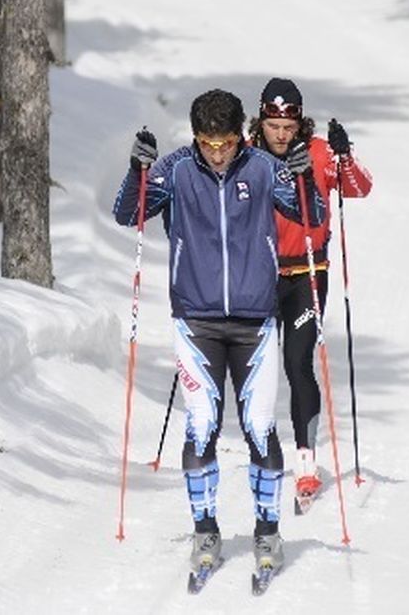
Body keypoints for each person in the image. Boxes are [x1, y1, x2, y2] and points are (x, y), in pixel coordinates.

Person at [112, 88, 323, 580]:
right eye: (209, 143)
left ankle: (267, 532)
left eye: (227, 142)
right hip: (196, 321)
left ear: (239, 136)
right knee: (202, 427)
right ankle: (204, 529)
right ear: (195, 138)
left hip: (255, 321)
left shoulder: (263, 169)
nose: (219, 153)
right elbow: (130, 213)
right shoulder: (177, 168)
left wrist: (304, 173)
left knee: (258, 427)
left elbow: (309, 218)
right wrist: (137, 169)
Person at [248, 77, 373, 507]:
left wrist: (344, 154)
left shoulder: (318, 152)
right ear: (261, 120)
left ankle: (305, 462)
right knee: (256, 368)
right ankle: (262, 452)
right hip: (258, 276)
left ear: (300, 121)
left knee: (298, 363)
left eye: (289, 124)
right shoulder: (247, 156)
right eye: (273, 124)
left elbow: (359, 188)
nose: (281, 134)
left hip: (308, 275)